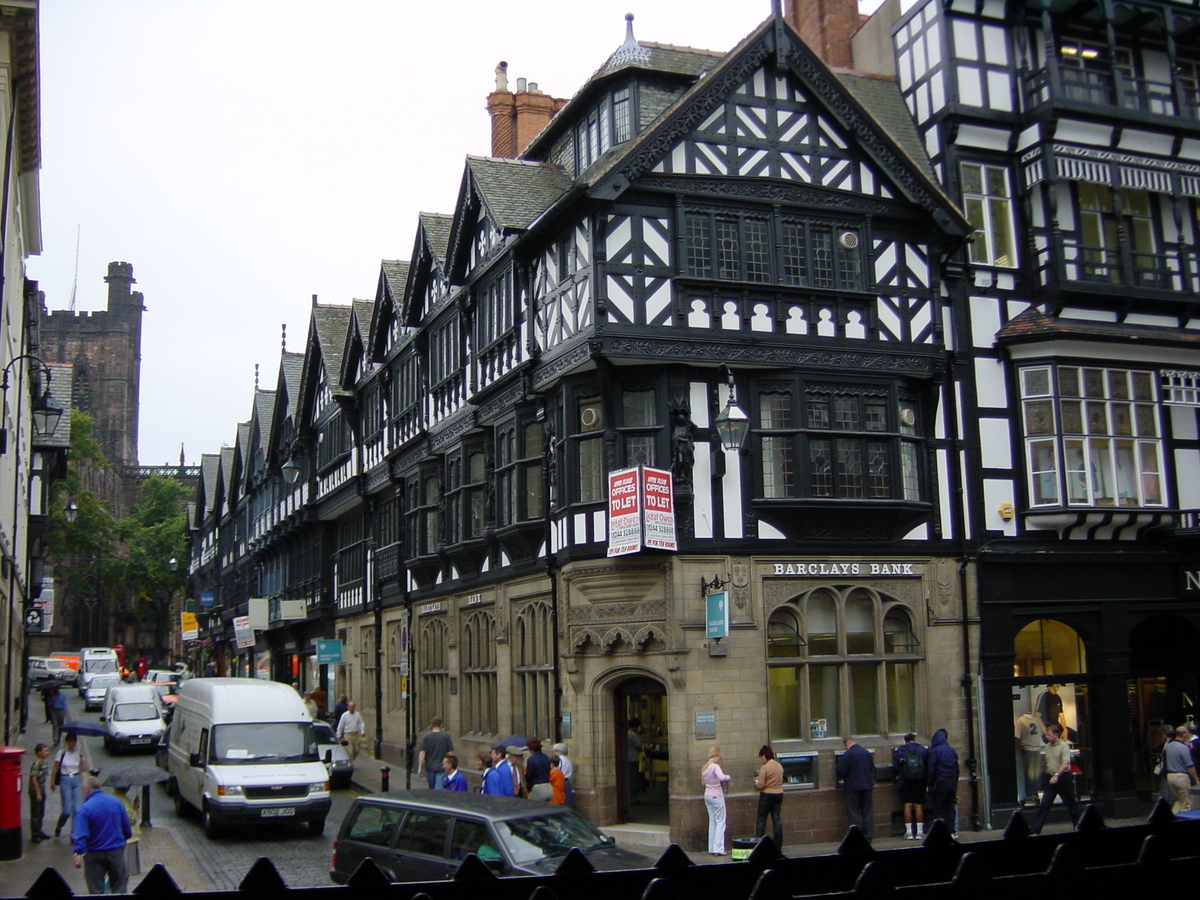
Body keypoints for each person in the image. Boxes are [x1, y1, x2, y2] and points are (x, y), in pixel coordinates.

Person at [72, 775, 132, 894]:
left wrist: (78, 852)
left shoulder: (84, 809)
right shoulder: (116, 803)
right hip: (115, 852)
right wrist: (124, 839)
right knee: (119, 888)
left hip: (94, 853)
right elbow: (127, 828)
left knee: (96, 890)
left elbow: (81, 833)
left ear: (87, 790)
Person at [1029, 723, 1082, 833]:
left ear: (1056, 735)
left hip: (1062, 778)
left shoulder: (1063, 746)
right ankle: (1036, 828)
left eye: (1048, 734)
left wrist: (1057, 775)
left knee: (1071, 804)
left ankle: (1079, 826)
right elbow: (1048, 761)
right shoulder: (1047, 747)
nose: (1046, 736)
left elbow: (1065, 763)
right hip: (1050, 778)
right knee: (1045, 804)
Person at [837, 737, 875, 841]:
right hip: (867, 786)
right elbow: (872, 768)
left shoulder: (848, 754)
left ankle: (856, 837)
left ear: (846, 745)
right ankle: (867, 836)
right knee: (867, 812)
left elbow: (841, 770)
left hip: (852, 787)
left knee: (854, 813)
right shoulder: (866, 753)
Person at [53, 732, 90, 838]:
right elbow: (55, 768)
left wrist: (82, 758)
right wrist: (52, 782)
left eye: (74, 741)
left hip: (76, 779)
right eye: (70, 741)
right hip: (65, 780)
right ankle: (59, 826)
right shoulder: (62, 753)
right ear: (67, 742)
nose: (72, 743)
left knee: (77, 809)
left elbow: (84, 769)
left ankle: (74, 834)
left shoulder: (78, 753)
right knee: (66, 810)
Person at [892, 733, 928, 840]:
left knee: (907, 806)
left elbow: (895, 767)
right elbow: (927, 765)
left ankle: (908, 832)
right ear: (915, 739)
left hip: (905, 781)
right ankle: (920, 832)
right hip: (920, 781)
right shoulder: (922, 749)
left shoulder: (900, 750)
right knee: (918, 806)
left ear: (905, 740)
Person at [926, 728, 959, 838]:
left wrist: (929, 784)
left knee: (939, 807)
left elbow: (931, 769)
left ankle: (941, 832)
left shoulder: (935, 751)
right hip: (952, 781)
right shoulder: (952, 750)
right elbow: (956, 768)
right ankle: (952, 831)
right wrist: (955, 781)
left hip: (940, 781)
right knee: (950, 806)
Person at [701, 746, 731, 856]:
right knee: (721, 822)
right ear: (715, 755)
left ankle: (711, 847)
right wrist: (728, 777)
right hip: (717, 795)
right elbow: (722, 778)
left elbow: (703, 783)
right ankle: (718, 848)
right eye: (719, 757)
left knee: (712, 822)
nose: (720, 760)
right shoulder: (715, 766)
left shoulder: (704, 767)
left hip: (707, 795)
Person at [1161, 725, 1198, 816]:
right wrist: (1197, 780)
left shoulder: (1169, 746)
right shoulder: (1183, 747)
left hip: (1170, 777)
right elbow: (1190, 766)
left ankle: (1171, 817)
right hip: (1181, 777)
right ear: (1184, 734)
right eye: (1188, 733)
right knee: (1186, 803)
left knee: (1179, 800)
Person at [754, 745, 784, 847]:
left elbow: (761, 785)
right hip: (779, 794)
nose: (761, 760)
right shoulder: (779, 766)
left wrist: (756, 781)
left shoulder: (765, 767)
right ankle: (778, 846)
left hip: (767, 795)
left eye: (761, 757)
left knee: (761, 820)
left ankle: (758, 845)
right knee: (776, 819)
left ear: (764, 755)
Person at [1015, 710, 1045, 804]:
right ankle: (1031, 793)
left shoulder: (1023, 720)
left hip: (1034, 747)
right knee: (1031, 773)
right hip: (1029, 748)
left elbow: (1017, 736)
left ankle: (1035, 793)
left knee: (1035, 773)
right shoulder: (1022, 720)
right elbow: (1017, 736)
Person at [416, 718, 454, 789]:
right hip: (442, 768)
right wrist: (452, 767)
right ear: (441, 725)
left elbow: (422, 753)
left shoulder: (427, 737)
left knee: (432, 789)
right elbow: (450, 753)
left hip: (430, 768)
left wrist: (420, 767)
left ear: (431, 725)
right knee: (439, 790)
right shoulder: (446, 737)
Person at [113, 786, 141, 878]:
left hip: (120, 839)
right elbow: (130, 820)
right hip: (129, 839)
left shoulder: (115, 797)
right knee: (125, 872)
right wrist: (135, 808)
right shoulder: (123, 801)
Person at [28, 743, 50, 843]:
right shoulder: (37, 764)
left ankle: (39, 831)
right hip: (35, 792)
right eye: (45, 751)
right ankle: (35, 835)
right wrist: (37, 793)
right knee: (36, 814)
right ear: (39, 753)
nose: (47, 753)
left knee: (41, 813)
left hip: (42, 790)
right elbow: (33, 778)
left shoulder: (44, 762)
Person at [626, 718, 643, 806]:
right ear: (637, 726)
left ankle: (629, 797)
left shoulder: (625, 733)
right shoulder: (633, 735)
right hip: (633, 759)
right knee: (634, 779)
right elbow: (638, 747)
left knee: (629, 778)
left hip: (626, 759)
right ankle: (633, 798)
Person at [552, 742, 574, 807]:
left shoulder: (559, 760)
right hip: (567, 782)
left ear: (557, 751)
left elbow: (558, 770)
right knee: (568, 801)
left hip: (561, 781)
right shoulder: (568, 760)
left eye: (554, 751)